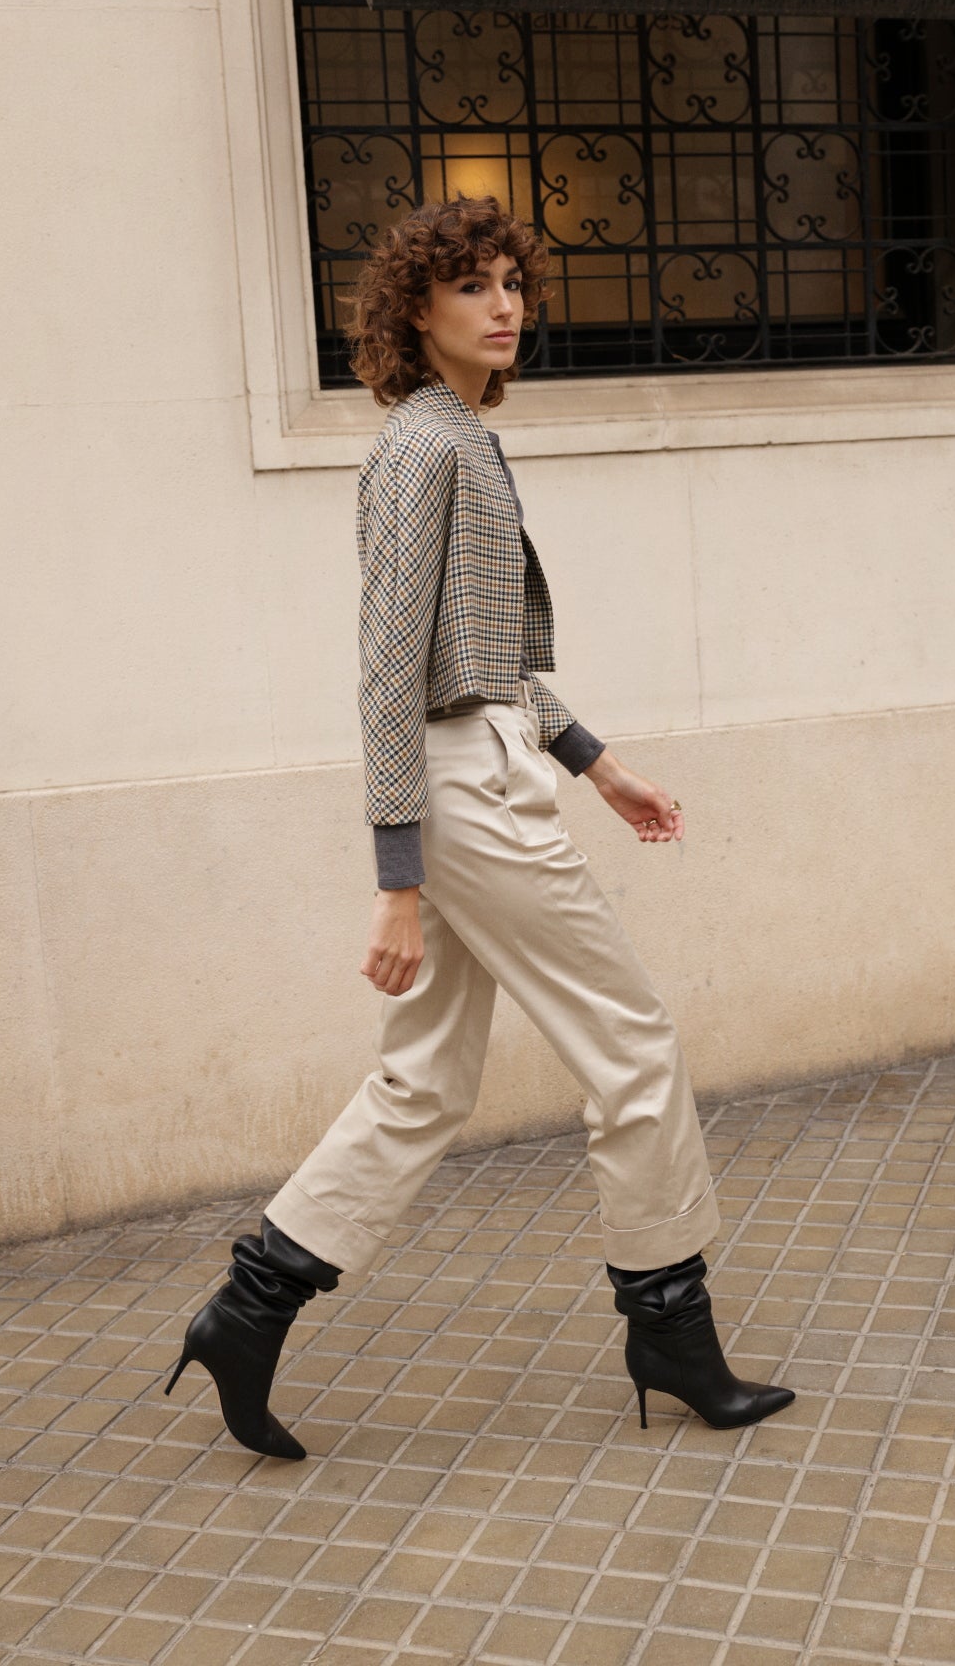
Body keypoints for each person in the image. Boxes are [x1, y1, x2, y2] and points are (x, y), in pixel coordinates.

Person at [165, 194, 794, 1460]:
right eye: (472, 287)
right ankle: (669, 1331)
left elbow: (487, 662)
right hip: (461, 795)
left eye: (513, 283)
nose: (504, 306)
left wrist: (598, 764)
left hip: (479, 767)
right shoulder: (423, 447)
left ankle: (248, 1310)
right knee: (633, 1046)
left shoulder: (457, 436)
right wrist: (397, 880)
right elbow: (389, 673)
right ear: (415, 310)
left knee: (426, 1080)